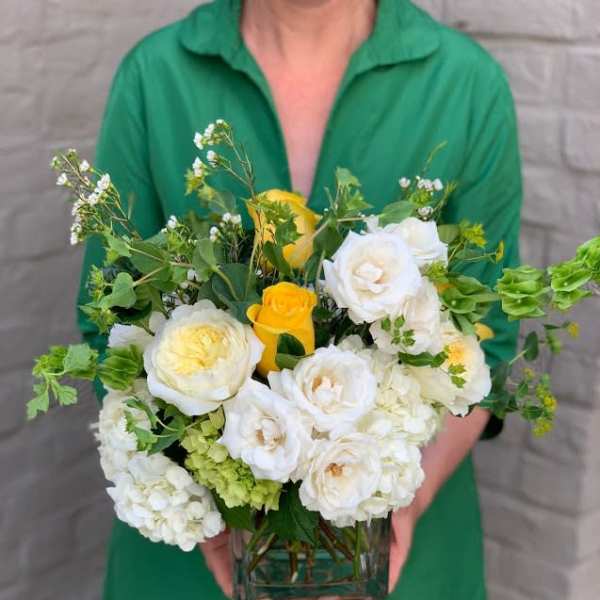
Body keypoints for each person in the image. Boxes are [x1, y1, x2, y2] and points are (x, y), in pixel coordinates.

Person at [78, 1, 522, 598]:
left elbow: (489, 343)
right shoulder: (155, 74)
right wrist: (212, 515)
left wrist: (396, 507)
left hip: (398, 555)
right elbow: (109, 321)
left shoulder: (466, 84)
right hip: (190, 560)